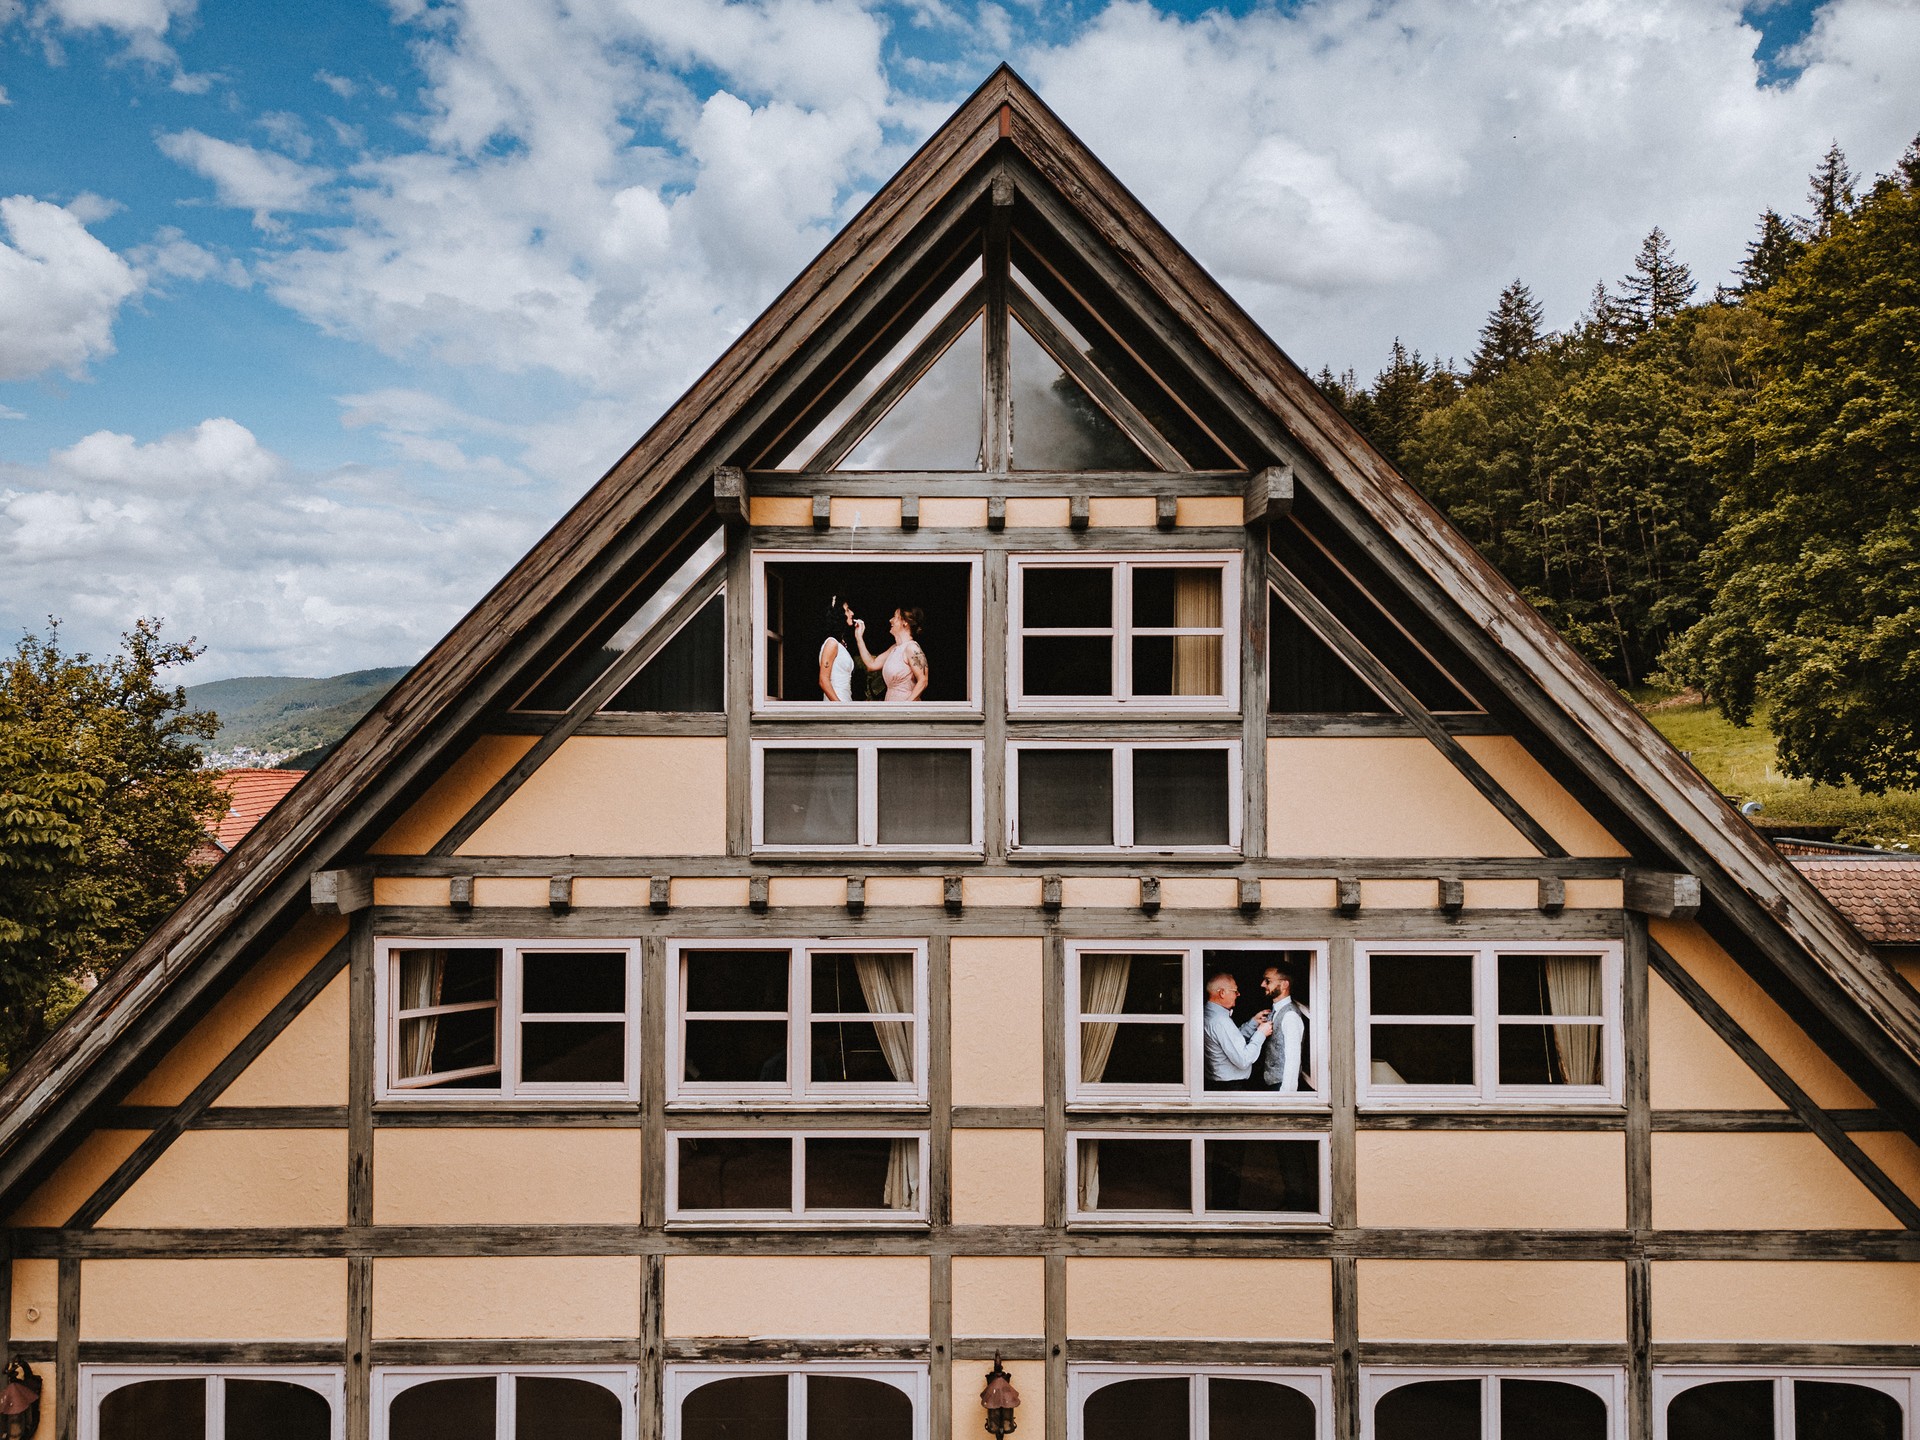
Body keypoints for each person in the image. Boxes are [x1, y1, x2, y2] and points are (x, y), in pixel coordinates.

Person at [1202, 971, 1270, 1089]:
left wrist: (1253, 1023)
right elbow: (1243, 1060)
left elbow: (1230, 1042)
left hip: (1217, 1084)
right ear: (1222, 993)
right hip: (1229, 1087)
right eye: (1235, 991)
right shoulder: (1221, 1021)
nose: (1238, 995)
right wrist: (1261, 1033)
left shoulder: (1209, 1012)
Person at [854, 605, 929, 702]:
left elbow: (923, 680)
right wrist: (859, 637)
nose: (891, 620)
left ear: (905, 622)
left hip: (905, 709)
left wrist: (906, 705)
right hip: (891, 705)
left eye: (895, 617)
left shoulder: (912, 648)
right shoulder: (894, 648)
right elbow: (871, 664)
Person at [1258, 965, 1309, 1093]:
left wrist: (1286, 1095)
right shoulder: (1275, 1009)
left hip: (1281, 1087)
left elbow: (1293, 1060)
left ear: (1284, 984)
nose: (1262, 984)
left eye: (1268, 981)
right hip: (1270, 1081)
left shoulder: (1290, 1016)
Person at [818, 597, 860, 703]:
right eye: (847, 610)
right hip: (836, 704)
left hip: (845, 701)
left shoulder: (840, 644)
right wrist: (839, 706)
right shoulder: (831, 643)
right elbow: (823, 680)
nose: (852, 613)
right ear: (839, 615)